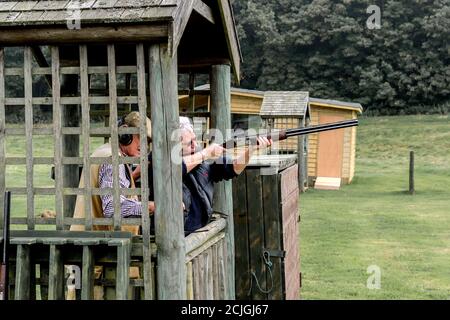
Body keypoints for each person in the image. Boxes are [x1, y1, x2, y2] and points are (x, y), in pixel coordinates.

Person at [178, 117, 271, 235]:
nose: (195, 145)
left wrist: (251, 149)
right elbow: (175, 169)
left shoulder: (201, 159)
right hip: (180, 239)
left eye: (194, 140)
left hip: (200, 235)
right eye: (189, 143)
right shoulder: (160, 164)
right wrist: (206, 153)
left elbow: (234, 168)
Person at [70, 111, 155, 233]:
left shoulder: (106, 151)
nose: (145, 146)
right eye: (142, 138)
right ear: (126, 134)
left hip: (90, 242)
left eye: (148, 141)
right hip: (98, 246)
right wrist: (152, 206)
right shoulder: (113, 160)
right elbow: (112, 208)